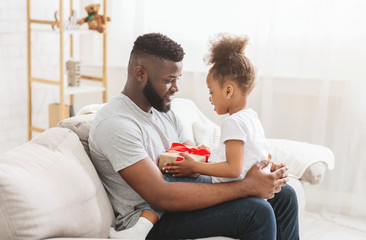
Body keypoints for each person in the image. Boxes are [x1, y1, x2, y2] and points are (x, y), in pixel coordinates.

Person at [89, 32, 299, 240]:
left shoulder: (166, 113)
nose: (176, 88)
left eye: (177, 79)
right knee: (257, 212)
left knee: (286, 196)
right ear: (140, 74)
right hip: (151, 220)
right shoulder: (116, 123)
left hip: (182, 202)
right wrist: (247, 186)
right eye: (170, 80)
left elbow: (198, 160)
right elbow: (161, 196)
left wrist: (257, 168)